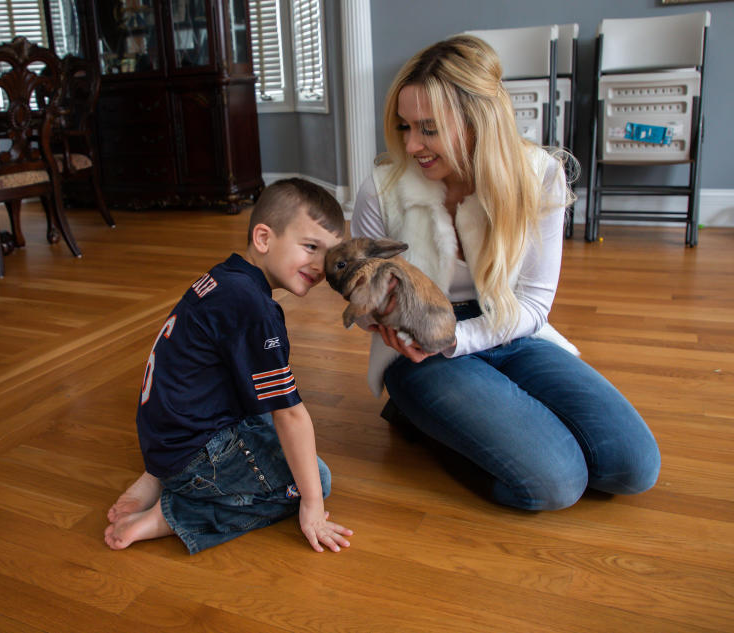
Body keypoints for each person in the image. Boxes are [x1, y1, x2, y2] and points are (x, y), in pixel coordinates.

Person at [351, 35, 660, 511]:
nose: (411, 144)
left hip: (509, 327)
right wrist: (383, 320)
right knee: (554, 484)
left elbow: (534, 303)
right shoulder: (382, 188)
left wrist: (459, 339)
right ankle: (424, 420)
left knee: (634, 466)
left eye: (428, 129)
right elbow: (360, 292)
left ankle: (466, 417)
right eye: (404, 126)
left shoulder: (538, 175)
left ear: (477, 121)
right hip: (419, 351)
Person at [105, 178, 354, 554]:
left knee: (273, 420)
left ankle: (158, 475)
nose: (321, 266)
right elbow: (290, 416)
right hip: (191, 449)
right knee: (315, 478)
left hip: (167, 436)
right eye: (310, 247)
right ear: (264, 238)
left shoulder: (226, 277)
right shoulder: (254, 308)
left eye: (328, 253)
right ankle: (174, 514)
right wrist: (313, 506)